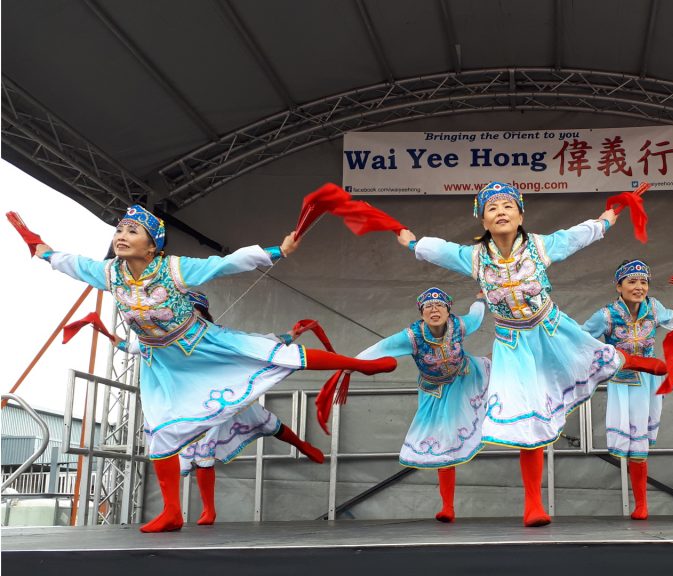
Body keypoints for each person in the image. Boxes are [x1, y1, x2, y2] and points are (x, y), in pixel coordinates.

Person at [35, 204, 397, 532]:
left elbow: (222, 264)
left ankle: (362, 365)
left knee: (276, 355)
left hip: (204, 347)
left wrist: (276, 251)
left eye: (132, 231)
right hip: (164, 366)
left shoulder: (173, 268)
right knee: (159, 434)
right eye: (119, 230)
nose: (121, 236)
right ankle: (173, 512)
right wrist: (43, 251)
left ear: (152, 246)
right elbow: (76, 265)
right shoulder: (110, 273)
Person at [396, 182, 666, 526]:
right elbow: (439, 250)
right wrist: (411, 242)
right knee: (527, 419)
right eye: (492, 208)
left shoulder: (540, 246)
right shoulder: (474, 257)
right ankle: (533, 505)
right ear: (483, 221)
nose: (501, 212)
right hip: (512, 344)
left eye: (508, 206)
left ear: (520, 214)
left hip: (551, 330)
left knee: (595, 355)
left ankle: (634, 360)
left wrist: (612, 213)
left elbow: (580, 234)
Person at [116, 290, 326, 526]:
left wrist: (290, 335)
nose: (187, 316)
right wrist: (102, 330)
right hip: (191, 403)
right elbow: (131, 347)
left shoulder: (215, 335)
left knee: (267, 422)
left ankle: (302, 445)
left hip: (222, 396)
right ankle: (209, 510)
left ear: (202, 314)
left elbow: (254, 342)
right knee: (202, 451)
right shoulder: (164, 338)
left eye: (193, 312)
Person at [343, 288, 490, 522]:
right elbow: (381, 348)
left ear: (448, 310)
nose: (434, 311)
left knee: (500, 384)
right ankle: (448, 507)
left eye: (439, 306)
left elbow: (476, 316)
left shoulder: (459, 326)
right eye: (428, 308)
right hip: (434, 392)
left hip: (465, 378)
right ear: (421, 314)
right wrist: (352, 363)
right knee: (444, 444)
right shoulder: (411, 336)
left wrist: (480, 300)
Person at [581, 259, 673, 520]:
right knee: (632, 443)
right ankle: (641, 505)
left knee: (641, 446)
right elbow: (582, 339)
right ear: (619, 286)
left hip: (650, 381)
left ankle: (641, 505)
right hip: (622, 383)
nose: (639, 287)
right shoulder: (605, 315)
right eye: (632, 282)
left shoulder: (654, 308)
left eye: (643, 282)